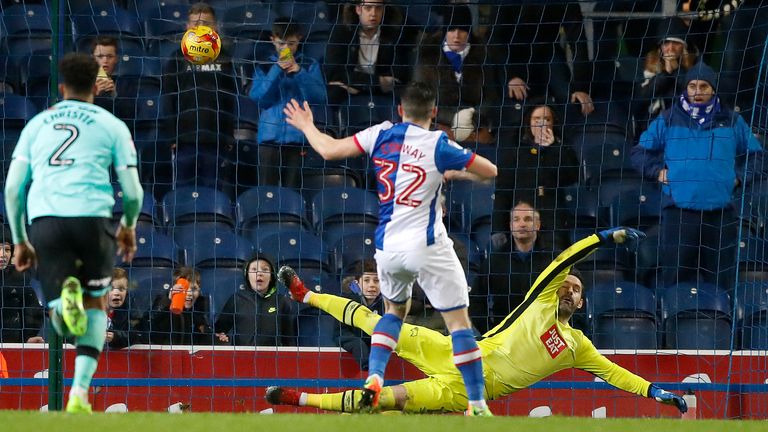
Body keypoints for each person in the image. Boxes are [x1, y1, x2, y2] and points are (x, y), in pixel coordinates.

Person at [267, 228, 688, 414]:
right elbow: (563, 260)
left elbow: (616, 375)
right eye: (566, 284)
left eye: (575, 289)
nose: (567, 288)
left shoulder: (577, 347)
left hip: (462, 389)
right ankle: (307, 294)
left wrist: (656, 392)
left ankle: (297, 400)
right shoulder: (540, 299)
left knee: (372, 400)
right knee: (379, 323)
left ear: (581, 303)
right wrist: (603, 238)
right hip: (455, 349)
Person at [282, 80, 498, 415]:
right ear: (435, 113)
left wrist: (307, 125)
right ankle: (477, 402)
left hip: (387, 246)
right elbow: (490, 171)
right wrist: (455, 173)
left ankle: (375, 375)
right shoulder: (439, 142)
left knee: (393, 312)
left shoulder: (380, 133)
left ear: (400, 111)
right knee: (459, 323)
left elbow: (328, 150)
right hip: (426, 243)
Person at [3, 52, 143, 413]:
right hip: (92, 220)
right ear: (95, 87)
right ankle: (79, 393)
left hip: (46, 219)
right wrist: (127, 227)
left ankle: (62, 310)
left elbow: (13, 188)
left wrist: (19, 240)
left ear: (62, 87)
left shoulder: (38, 123)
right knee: (96, 305)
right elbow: (133, 190)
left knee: (60, 317)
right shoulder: (111, 124)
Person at [631, 61, 765, 291]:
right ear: (686, 88)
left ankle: (721, 324)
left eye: (704, 86)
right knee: (675, 280)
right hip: (678, 213)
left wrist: (740, 177)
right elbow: (638, 153)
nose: (698, 91)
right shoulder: (668, 118)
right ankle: (672, 324)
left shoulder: (732, 120)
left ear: (713, 89)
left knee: (721, 283)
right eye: (692, 86)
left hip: (720, 215)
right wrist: (657, 171)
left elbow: (758, 156)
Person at [162, 2, 237, 191]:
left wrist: (228, 135)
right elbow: (168, 98)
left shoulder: (225, 58)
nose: (199, 28)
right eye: (195, 24)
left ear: (215, 28)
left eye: (205, 23)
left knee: (214, 194)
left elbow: (230, 99)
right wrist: (172, 136)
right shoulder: (177, 58)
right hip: (184, 141)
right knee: (182, 195)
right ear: (188, 27)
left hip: (216, 141)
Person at [248, 17, 326, 188]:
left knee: (293, 192)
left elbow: (319, 98)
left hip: (297, 139)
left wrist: (299, 72)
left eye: (291, 43)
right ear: (273, 40)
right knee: (266, 193)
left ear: (299, 38)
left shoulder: (308, 64)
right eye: (281, 43)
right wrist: (277, 69)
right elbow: (259, 99)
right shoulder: (265, 66)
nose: (286, 49)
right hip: (269, 139)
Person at [492, 101, 579, 245]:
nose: (542, 124)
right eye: (537, 119)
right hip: (522, 223)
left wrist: (553, 148)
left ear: (553, 123)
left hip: (553, 223)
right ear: (529, 122)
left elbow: (571, 176)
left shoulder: (563, 147)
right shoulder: (514, 151)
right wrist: (498, 228)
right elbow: (503, 191)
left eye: (547, 119)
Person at [412, 5, 501, 144]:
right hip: (437, 125)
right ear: (445, 31)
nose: (457, 35)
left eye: (462, 30)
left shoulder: (484, 55)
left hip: (476, 125)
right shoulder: (427, 56)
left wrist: (474, 117)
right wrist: (454, 118)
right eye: (452, 29)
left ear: (469, 32)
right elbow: (421, 100)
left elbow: (491, 95)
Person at [490, 3, 594, 116]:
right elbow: (495, 39)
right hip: (511, 56)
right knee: (515, 103)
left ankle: (564, 130)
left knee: (570, 99)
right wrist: (511, 76)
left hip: (547, 52)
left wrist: (581, 88)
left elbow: (579, 43)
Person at [471, 201, 560, 334]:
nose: (522, 224)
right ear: (511, 225)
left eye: (528, 219)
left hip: (544, 333)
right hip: (505, 336)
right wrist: (490, 332)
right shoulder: (495, 260)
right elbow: (476, 300)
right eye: (516, 219)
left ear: (538, 225)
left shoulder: (554, 259)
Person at [325, 0, 411, 105]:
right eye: (368, 8)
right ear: (358, 9)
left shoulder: (394, 32)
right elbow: (335, 72)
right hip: (350, 90)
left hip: (365, 88)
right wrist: (377, 82)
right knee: (334, 92)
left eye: (378, 8)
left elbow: (399, 74)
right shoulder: (342, 30)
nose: (373, 13)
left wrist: (360, 85)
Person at [632, 17, 699, 134]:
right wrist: (666, 73)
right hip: (650, 128)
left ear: (683, 47)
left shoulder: (695, 68)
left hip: (682, 129)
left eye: (676, 43)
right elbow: (640, 101)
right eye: (666, 43)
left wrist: (677, 70)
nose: (670, 48)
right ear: (660, 47)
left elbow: (692, 98)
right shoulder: (646, 67)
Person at [214, 253, 296, 346]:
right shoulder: (236, 299)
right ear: (247, 275)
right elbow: (219, 331)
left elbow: (289, 341)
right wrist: (222, 337)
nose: (259, 273)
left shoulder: (282, 302)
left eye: (265, 270)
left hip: (272, 358)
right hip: (241, 358)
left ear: (271, 276)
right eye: (254, 269)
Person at [137, 267, 228, 346]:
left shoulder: (199, 312)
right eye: (184, 289)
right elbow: (147, 328)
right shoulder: (163, 305)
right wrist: (167, 301)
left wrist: (216, 338)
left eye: (193, 289)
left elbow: (202, 340)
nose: (189, 294)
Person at [335, 259, 385, 370]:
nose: (372, 285)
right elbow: (339, 333)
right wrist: (358, 346)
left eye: (376, 281)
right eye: (367, 280)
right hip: (355, 354)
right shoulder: (346, 302)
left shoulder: (387, 304)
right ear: (357, 283)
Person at [0, 231, 43, 344]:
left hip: (12, 346)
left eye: (7, 249)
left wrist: (27, 338)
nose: (3, 254)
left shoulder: (20, 280)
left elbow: (34, 312)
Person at [105, 268, 140, 350]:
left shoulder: (130, 308)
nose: (116, 293)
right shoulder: (92, 308)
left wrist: (115, 337)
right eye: (111, 288)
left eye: (121, 289)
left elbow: (135, 334)